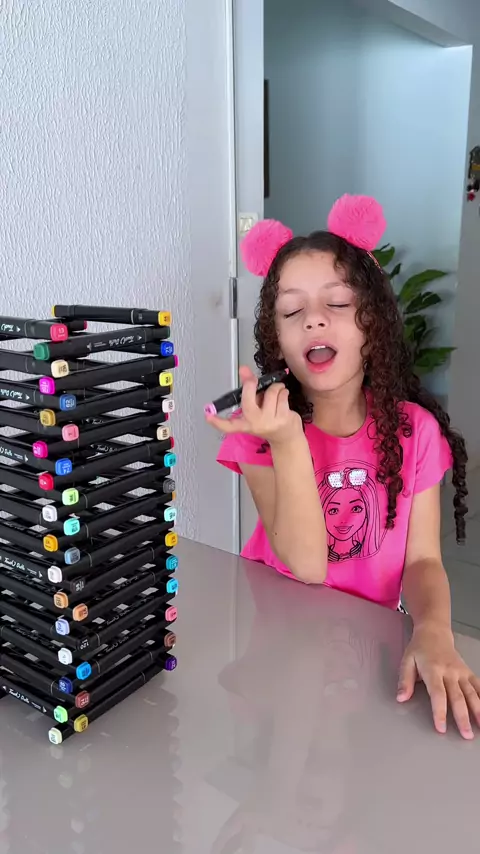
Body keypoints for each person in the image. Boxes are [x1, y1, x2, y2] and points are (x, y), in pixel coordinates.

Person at [205, 194, 480, 740]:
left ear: (372, 324)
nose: (314, 319)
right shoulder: (262, 433)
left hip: (371, 656)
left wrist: (433, 630)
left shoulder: (415, 432)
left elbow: (423, 560)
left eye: (337, 302)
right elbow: (308, 567)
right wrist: (287, 442)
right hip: (282, 656)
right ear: (278, 342)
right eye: (292, 312)